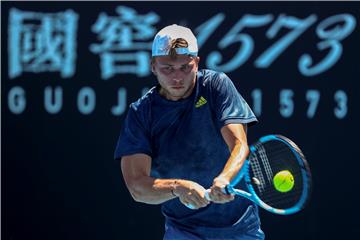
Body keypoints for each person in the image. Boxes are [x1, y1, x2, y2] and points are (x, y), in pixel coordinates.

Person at [114, 24, 264, 239]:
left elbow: (240, 145)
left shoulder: (215, 86)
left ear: (197, 63)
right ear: (153, 66)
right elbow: (137, 187)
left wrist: (224, 179)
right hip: (183, 231)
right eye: (167, 68)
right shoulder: (141, 113)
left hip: (241, 227)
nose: (177, 77)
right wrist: (178, 187)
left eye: (185, 67)